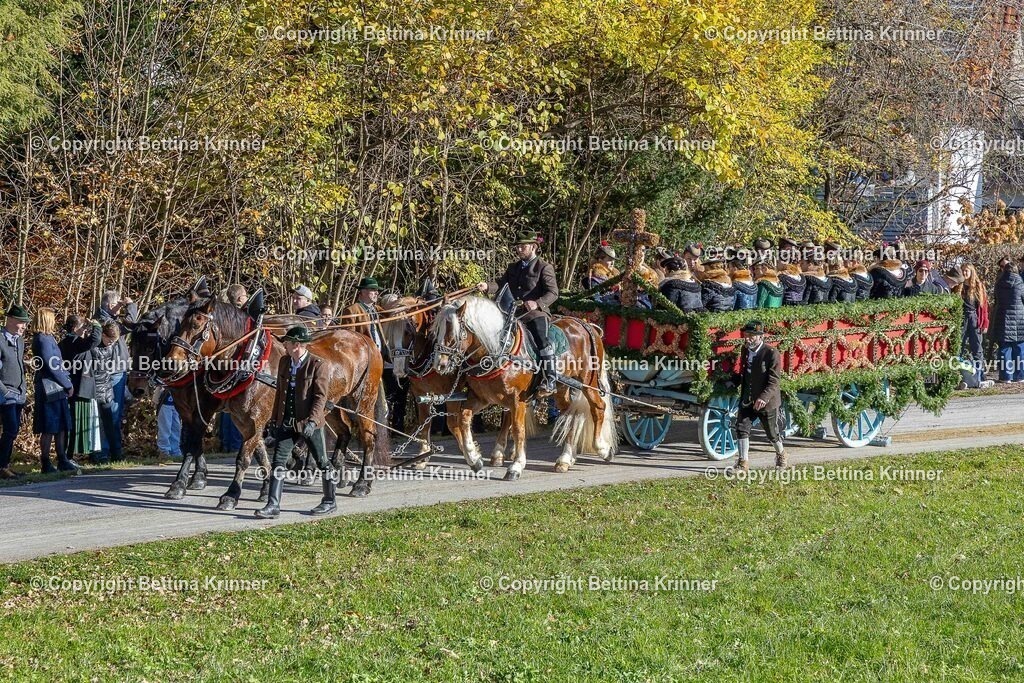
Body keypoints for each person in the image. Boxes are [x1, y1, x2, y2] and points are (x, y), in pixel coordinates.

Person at [256, 325, 335, 519]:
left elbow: (320, 397)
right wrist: (274, 420)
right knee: (278, 462)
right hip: (286, 422)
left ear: (297, 344)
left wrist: (312, 422)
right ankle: (273, 505)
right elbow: (280, 393)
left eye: (287, 343)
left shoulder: (318, 364)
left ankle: (329, 501)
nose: (284, 347)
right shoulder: (284, 362)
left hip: (309, 423)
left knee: (322, 461)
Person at [477, 230, 560, 395]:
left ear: (534, 247)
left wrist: (537, 303)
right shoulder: (512, 267)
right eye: (518, 246)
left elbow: (553, 293)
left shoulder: (544, 267)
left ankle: (550, 379)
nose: (519, 249)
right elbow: (501, 285)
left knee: (541, 339)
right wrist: (487, 286)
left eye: (523, 246)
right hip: (512, 314)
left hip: (535, 314)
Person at [726, 320, 788, 473]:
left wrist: (763, 398)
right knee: (741, 427)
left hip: (766, 401)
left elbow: (774, 381)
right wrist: (733, 381)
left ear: (761, 336)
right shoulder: (745, 350)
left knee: (771, 433)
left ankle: (781, 454)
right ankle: (743, 463)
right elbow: (745, 372)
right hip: (748, 398)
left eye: (752, 336)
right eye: (746, 335)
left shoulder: (771, 353)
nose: (747, 339)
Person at [31, 308, 78, 474]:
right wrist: (67, 384)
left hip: (56, 385)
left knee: (61, 425)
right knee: (49, 426)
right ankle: (45, 462)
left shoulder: (48, 337)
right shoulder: (42, 339)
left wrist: (65, 380)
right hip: (48, 386)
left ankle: (62, 458)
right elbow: (51, 365)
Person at [93, 290, 138, 461]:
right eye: (117, 303)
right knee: (109, 413)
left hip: (117, 372)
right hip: (110, 373)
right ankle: (105, 452)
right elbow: (131, 323)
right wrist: (131, 305)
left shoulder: (108, 318)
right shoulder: (103, 321)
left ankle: (112, 451)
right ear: (111, 305)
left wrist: (120, 307)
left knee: (115, 413)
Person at [61, 315, 102, 461]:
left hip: (79, 388)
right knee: (75, 423)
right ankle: (68, 456)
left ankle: (72, 454)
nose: (85, 330)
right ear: (74, 328)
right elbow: (95, 340)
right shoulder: (73, 341)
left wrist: (86, 328)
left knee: (79, 423)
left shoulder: (70, 341)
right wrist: (96, 326)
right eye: (82, 327)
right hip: (78, 388)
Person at [0, 303, 30, 479]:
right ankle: (2, 466)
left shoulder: (19, 340)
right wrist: (5, 392)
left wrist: (22, 389)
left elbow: (18, 366)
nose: (24, 327)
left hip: (18, 392)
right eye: (21, 322)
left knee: (13, 430)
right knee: (10, 428)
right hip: (5, 393)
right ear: (10, 320)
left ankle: (5, 465)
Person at [89, 322, 125, 463]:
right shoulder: (93, 346)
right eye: (109, 340)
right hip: (93, 388)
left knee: (111, 423)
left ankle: (116, 453)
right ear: (102, 335)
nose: (111, 344)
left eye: (114, 341)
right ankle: (97, 454)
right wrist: (97, 327)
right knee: (95, 424)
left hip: (106, 388)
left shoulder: (111, 347)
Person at [957, 265, 993, 389]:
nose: (964, 273)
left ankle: (980, 375)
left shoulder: (978, 286)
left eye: (966, 271)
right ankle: (959, 376)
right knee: (958, 348)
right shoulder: (958, 286)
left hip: (974, 319)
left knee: (977, 348)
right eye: (962, 271)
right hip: (962, 319)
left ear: (971, 272)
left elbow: (984, 307)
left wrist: (985, 323)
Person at [991, 256, 1024, 383]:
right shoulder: (1020, 282)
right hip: (1019, 319)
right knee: (1019, 348)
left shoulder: (999, 283)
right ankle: (1020, 375)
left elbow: (996, 299)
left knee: (1004, 349)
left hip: (1003, 318)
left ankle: (1006, 377)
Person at [156, 387, 182, 459]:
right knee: (165, 428)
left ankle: (175, 451)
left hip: (176, 403)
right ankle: (164, 451)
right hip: (164, 403)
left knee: (176, 428)